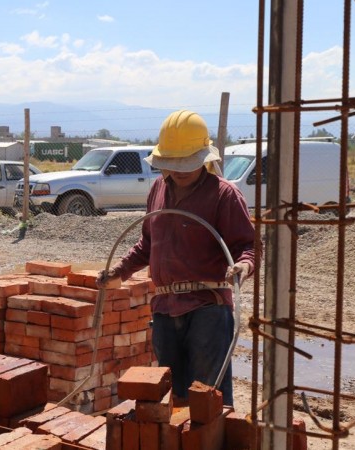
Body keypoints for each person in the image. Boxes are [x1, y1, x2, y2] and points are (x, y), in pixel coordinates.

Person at [97, 110, 255, 406]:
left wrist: (243, 264)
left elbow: (246, 244)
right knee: (172, 396)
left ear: (203, 157)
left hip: (207, 308)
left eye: (187, 162)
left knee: (208, 398)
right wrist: (120, 271)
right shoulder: (158, 189)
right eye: (173, 162)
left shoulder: (224, 194)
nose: (180, 170)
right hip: (165, 308)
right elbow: (148, 243)